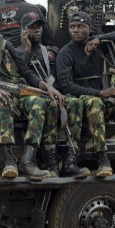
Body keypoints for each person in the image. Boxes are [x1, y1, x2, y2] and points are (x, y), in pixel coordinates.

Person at [0, 6, 65, 180]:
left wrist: (47, 87)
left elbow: (26, 72)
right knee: (2, 100)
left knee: (40, 104)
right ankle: (9, 160)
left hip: (18, 91)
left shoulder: (4, 44)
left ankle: (28, 161)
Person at [56, 11, 115, 177]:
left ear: (89, 28)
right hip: (80, 105)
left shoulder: (98, 46)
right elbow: (66, 86)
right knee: (95, 102)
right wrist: (100, 92)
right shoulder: (66, 53)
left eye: (80, 26)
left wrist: (100, 38)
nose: (75, 30)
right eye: (72, 27)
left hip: (101, 101)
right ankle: (102, 160)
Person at [17, 12, 90, 178]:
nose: (37, 31)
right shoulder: (16, 52)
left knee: (76, 103)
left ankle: (70, 162)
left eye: (39, 27)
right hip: (31, 98)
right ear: (23, 30)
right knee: (48, 105)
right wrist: (27, 50)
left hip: (54, 95)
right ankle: (51, 163)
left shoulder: (50, 51)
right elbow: (18, 77)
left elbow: (61, 77)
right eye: (32, 27)